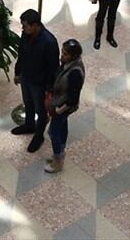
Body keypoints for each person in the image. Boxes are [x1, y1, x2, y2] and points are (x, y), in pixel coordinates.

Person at [12, 9, 59, 152]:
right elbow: (21, 54)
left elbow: (53, 68)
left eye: (25, 25)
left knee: (41, 110)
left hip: (39, 84)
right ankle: (29, 125)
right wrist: (18, 72)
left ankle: (39, 136)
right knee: (28, 104)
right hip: (26, 78)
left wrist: (49, 89)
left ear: (35, 25)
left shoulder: (49, 42)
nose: (23, 28)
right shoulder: (26, 35)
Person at [45, 39, 85, 173]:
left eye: (65, 54)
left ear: (73, 56)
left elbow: (72, 100)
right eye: (62, 52)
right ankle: (61, 152)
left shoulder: (75, 73)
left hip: (63, 106)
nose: (62, 56)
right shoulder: (67, 64)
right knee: (62, 127)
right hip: (60, 102)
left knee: (53, 132)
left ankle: (58, 161)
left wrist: (58, 110)